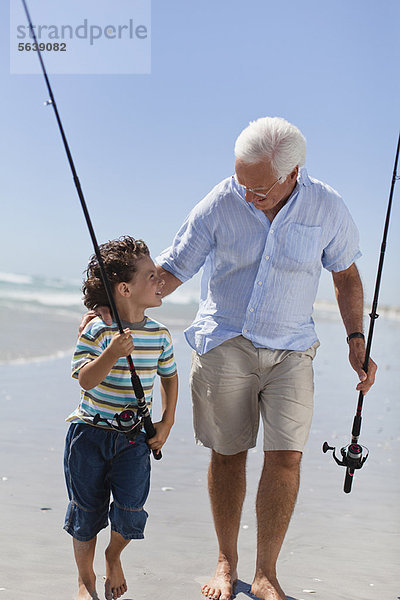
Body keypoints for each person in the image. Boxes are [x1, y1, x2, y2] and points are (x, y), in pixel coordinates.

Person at [82, 117, 377, 600]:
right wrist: (105, 310)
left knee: (287, 458)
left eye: (257, 189)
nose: (246, 195)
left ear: (292, 174)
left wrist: (356, 339)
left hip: (292, 349)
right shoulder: (222, 201)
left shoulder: (328, 207)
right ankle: (226, 561)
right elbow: (169, 271)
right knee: (228, 454)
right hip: (225, 342)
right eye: (241, 182)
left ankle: (266, 574)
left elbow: (346, 275)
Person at [65, 236, 178, 600]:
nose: (160, 280)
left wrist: (167, 421)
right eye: (150, 276)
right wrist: (112, 353)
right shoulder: (97, 330)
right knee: (86, 512)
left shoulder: (160, 335)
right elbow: (85, 379)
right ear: (125, 289)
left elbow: (169, 376)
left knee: (130, 511)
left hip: (133, 440)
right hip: (89, 434)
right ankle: (85, 579)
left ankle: (114, 555)